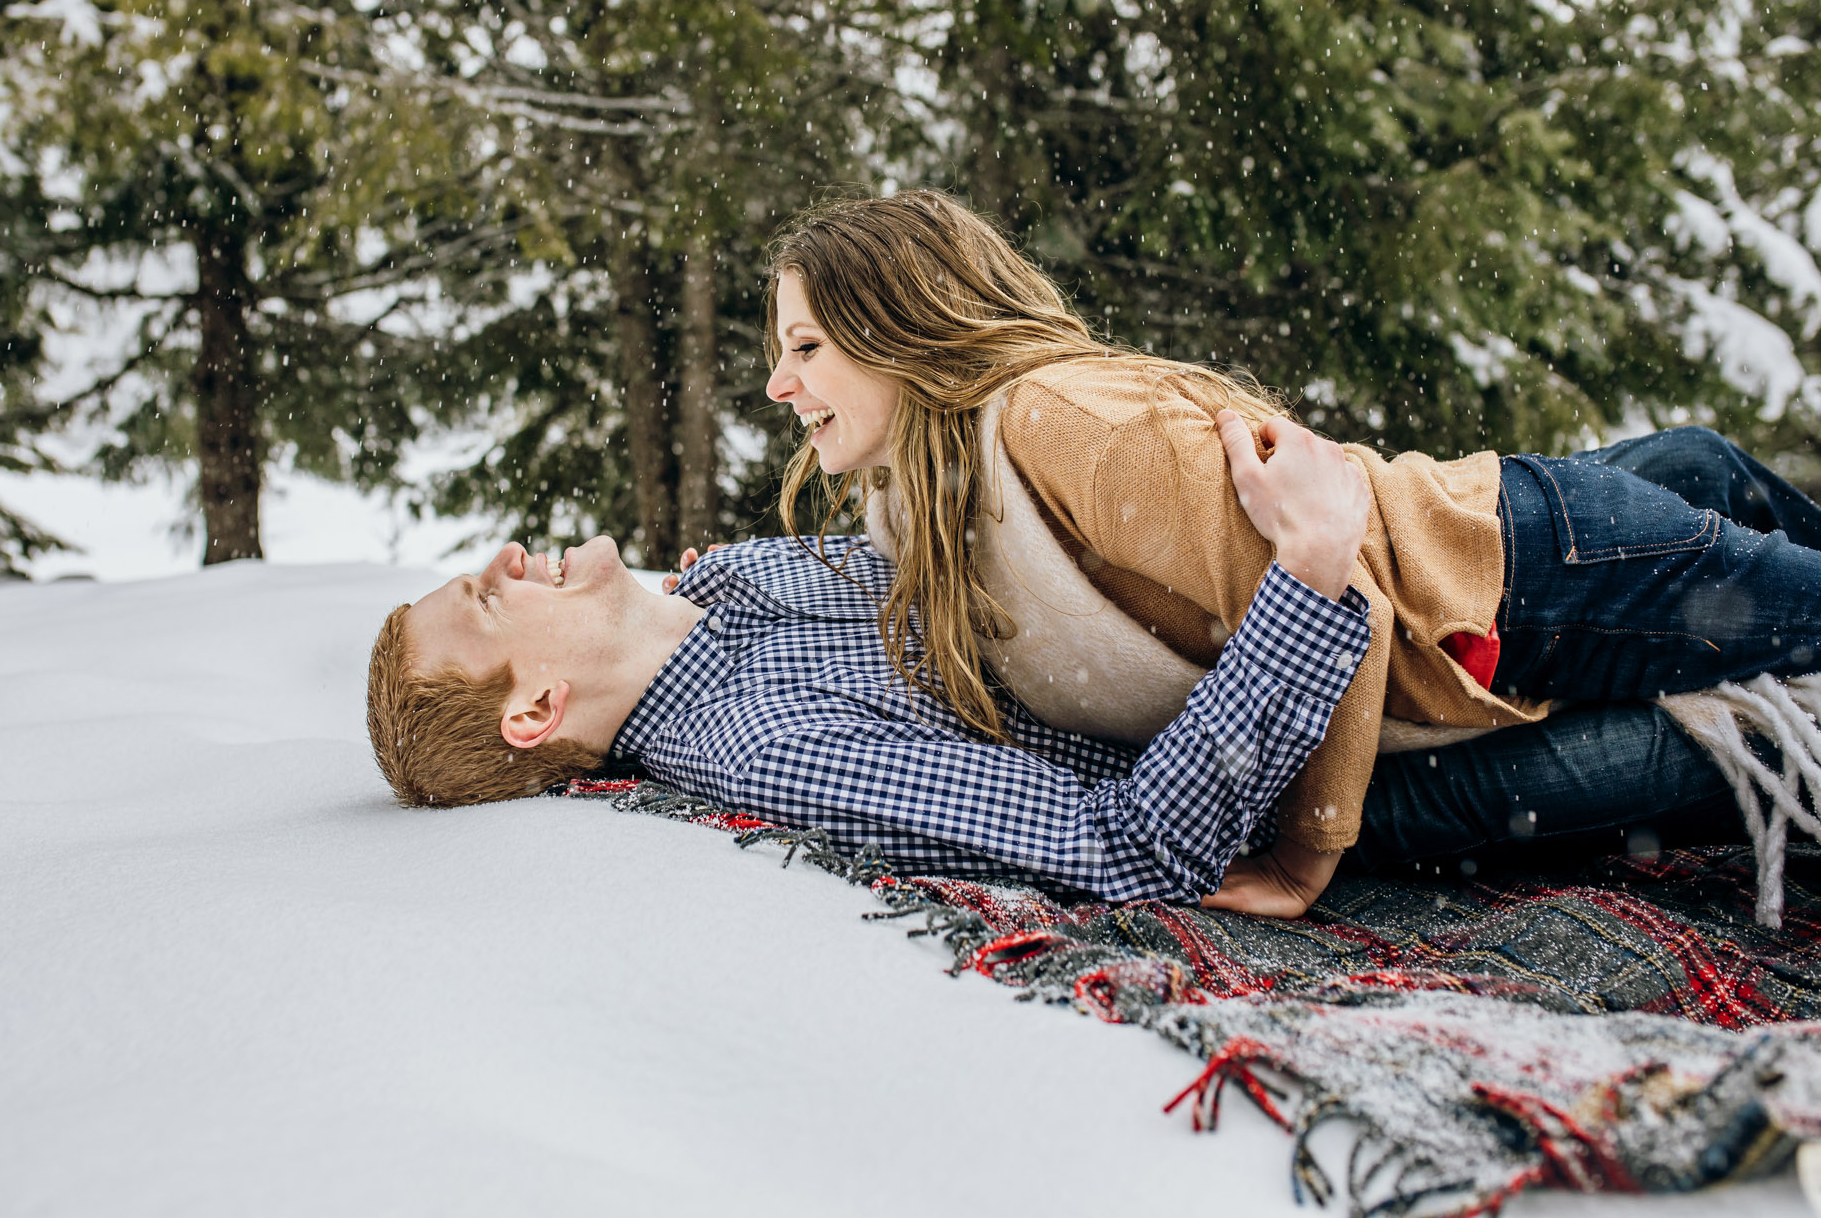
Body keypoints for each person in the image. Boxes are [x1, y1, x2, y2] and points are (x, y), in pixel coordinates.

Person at [760, 190, 1821, 916]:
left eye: (805, 347)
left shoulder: (1064, 428)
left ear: (905, 326)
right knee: (1696, 465)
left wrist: (1303, 856)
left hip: (1519, 583)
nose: (777, 384)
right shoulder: (929, 496)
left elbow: (1327, 576)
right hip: (1487, 570)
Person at [366, 418, 1772, 910]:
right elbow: (1128, 842)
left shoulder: (732, 579)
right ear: (539, 712)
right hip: (1328, 772)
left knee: (1700, 470)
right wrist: (1303, 576)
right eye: (480, 611)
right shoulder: (759, 740)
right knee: (1725, 733)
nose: (497, 562)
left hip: (1284, 606)